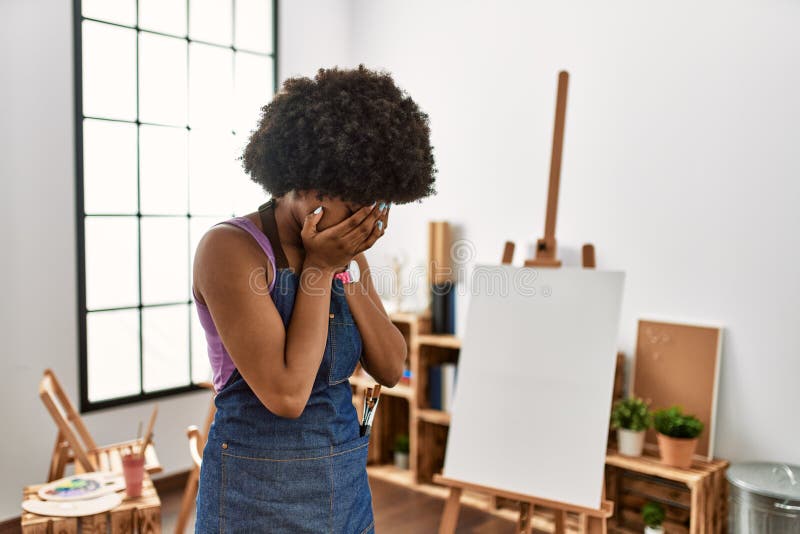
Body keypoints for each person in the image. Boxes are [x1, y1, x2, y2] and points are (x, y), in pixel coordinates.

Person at [192, 65, 436, 533]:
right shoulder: (230, 249)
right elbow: (286, 395)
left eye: (378, 203)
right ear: (305, 180)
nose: (368, 217)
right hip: (253, 498)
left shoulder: (343, 254)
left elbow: (389, 367)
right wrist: (321, 269)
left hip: (343, 493)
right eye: (356, 200)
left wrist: (347, 266)